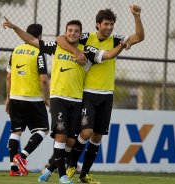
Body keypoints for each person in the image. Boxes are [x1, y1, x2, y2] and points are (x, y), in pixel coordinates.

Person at [3, 17, 127, 184]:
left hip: (77, 100)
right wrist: (15, 27)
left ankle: (48, 170)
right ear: (65, 32)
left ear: (80, 34)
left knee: (71, 140)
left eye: (76, 31)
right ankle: (62, 176)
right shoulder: (56, 46)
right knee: (61, 136)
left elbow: (108, 55)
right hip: (58, 98)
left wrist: (121, 45)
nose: (73, 33)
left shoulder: (87, 51)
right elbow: (31, 39)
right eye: (70, 30)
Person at [56, 4, 145, 184]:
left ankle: (84, 175)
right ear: (98, 24)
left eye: (112, 24)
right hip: (88, 93)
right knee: (87, 132)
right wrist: (75, 50)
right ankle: (72, 164)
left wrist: (136, 16)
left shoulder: (116, 40)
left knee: (97, 136)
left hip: (107, 94)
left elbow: (140, 37)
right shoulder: (86, 37)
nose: (109, 27)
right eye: (106, 24)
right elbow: (60, 39)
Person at [5, 23, 50, 177]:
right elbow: (43, 80)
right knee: (43, 129)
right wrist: (47, 98)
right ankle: (22, 157)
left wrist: (8, 98)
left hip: (15, 97)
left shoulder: (15, 51)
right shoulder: (39, 52)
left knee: (15, 131)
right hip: (33, 98)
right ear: (39, 36)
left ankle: (14, 169)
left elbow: (9, 77)